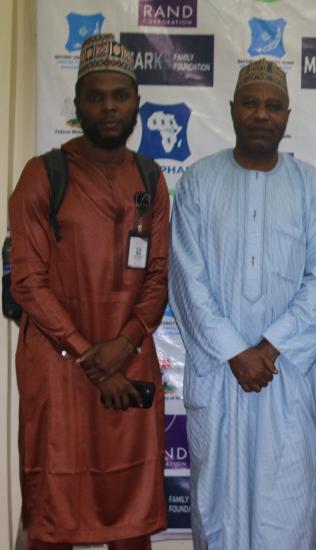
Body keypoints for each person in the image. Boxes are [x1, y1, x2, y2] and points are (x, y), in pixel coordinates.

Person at [168, 59, 316, 550]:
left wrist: (269, 347)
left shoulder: (310, 188)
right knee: (217, 508)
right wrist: (236, 352)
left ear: (287, 116)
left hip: (284, 375)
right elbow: (187, 278)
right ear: (232, 110)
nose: (261, 114)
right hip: (221, 374)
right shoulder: (198, 182)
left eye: (273, 105)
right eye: (251, 102)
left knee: (286, 510)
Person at [9, 33, 169, 549]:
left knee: (130, 512)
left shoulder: (150, 178)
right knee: (55, 510)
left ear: (136, 104)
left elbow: (158, 275)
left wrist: (121, 347)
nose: (108, 106)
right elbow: (27, 282)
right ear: (77, 104)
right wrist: (88, 356)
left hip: (129, 357)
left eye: (119, 95)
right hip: (59, 369)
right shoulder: (43, 175)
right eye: (96, 96)